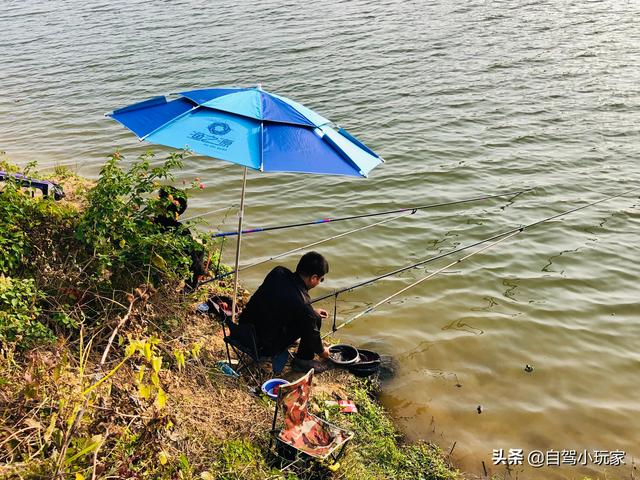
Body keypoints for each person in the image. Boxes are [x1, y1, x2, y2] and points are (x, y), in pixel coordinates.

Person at [239, 251, 331, 373]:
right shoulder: (303, 305)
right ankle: (303, 361)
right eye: (321, 279)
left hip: (243, 330)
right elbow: (311, 328)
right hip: (262, 346)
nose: (320, 282)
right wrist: (323, 352)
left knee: (310, 316)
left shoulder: (278, 272)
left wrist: (309, 310)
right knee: (314, 319)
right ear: (314, 278)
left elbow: (279, 301)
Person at [153, 186, 207, 290]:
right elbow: (195, 266)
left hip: (154, 268)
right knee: (199, 249)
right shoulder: (181, 230)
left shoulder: (148, 222)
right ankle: (189, 290)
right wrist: (201, 270)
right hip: (170, 272)